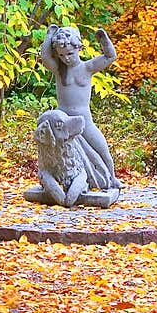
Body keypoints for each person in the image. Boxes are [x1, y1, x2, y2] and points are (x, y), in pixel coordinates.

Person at [40, 24, 121, 189]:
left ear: (79, 48)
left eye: (70, 53)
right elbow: (46, 57)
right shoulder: (59, 70)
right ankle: (57, 182)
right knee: (58, 155)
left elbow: (110, 56)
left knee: (102, 149)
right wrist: (50, 35)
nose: (66, 58)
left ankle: (111, 178)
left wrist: (104, 40)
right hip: (64, 123)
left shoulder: (87, 67)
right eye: (62, 55)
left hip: (86, 123)